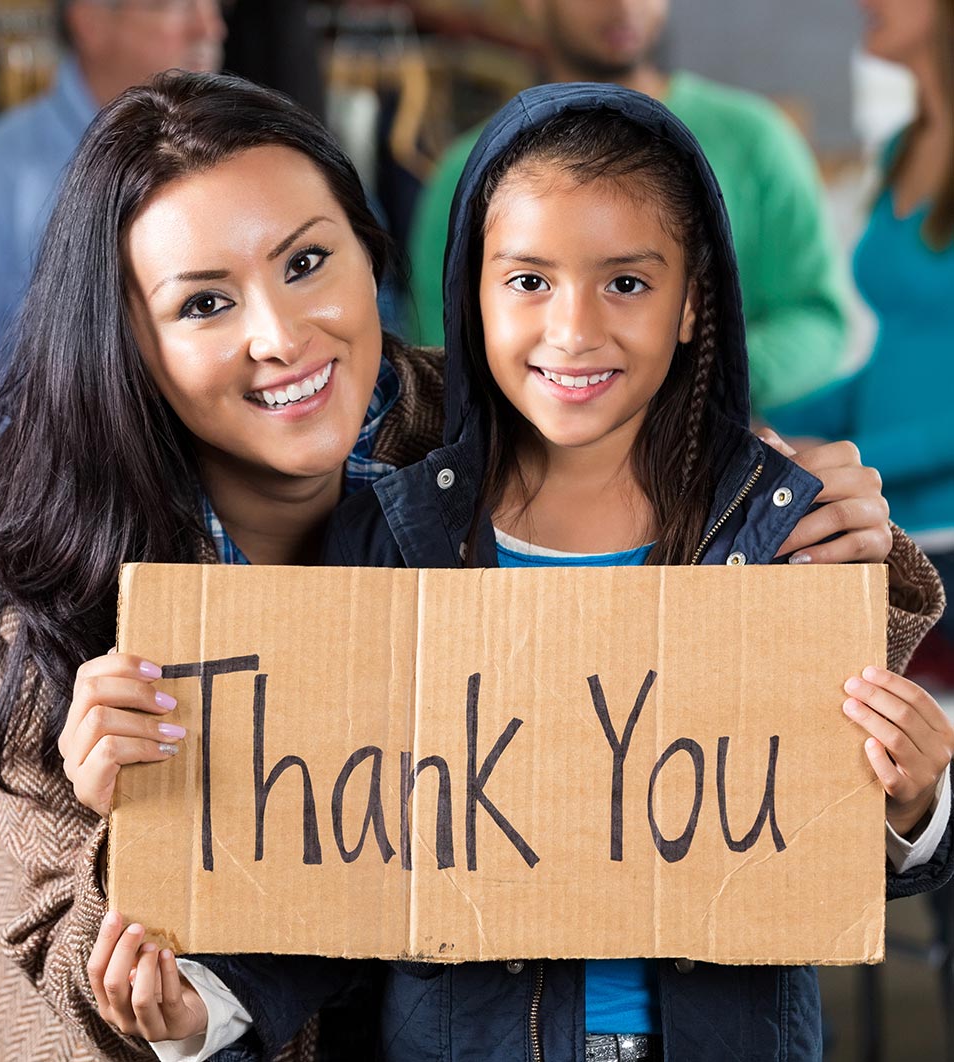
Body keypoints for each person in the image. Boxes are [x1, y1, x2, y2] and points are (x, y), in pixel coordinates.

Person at [89, 85, 951, 1062]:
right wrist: (207, 1009)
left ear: (691, 304)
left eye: (626, 283)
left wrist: (916, 805)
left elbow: (824, 832)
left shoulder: (772, 526)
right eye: (529, 282)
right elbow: (335, 850)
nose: (575, 328)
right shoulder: (393, 532)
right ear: (470, 296)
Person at [0, 72, 444, 1062]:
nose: (280, 336)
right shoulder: (67, 583)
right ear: (134, 348)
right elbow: (72, 987)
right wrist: (106, 825)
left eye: (307, 262)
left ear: (368, 251)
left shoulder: (497, 443)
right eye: (206, 303)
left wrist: (799, 521)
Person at [408, 0, 850, 415]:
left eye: (626, 283)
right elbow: (443, 350)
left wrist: (698, 381)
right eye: (529, 281)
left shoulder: (757, 140)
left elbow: (816, 318)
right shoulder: (467, 171)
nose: (622, 6)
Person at [0, 0, 225, 492]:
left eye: (214, 5)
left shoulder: (247, 168)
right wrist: (87, 497)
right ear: (91, 20)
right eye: (172, 6)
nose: (209, 26)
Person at [769, 0, 954, 674]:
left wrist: (845, 458)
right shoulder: (907, 145)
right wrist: (765, 428)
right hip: (884, 531)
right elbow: (893, 362)